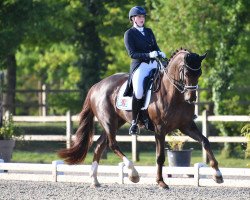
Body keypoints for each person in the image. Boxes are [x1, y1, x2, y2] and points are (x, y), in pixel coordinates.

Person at [124, 6, 166, 135]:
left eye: (143, 17)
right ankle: (135, 123)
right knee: (139, 92)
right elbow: (132, 54)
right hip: (139, 66)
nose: (142, 19)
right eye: (139, 17)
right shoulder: (129, 34)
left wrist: (159, 52)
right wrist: (148, 55)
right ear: (133, 19)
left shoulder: (149, 31)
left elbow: (154, 46)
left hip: (153, 63)